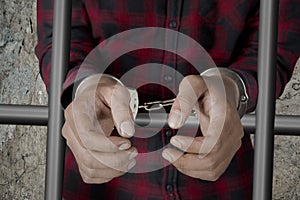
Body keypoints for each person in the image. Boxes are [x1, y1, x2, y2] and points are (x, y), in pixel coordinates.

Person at [35, 0, 300, 199]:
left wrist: (232, 87)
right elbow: (57, 39)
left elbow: (277, 44)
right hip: (95, 178)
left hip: (221, 175)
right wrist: (84, 87)